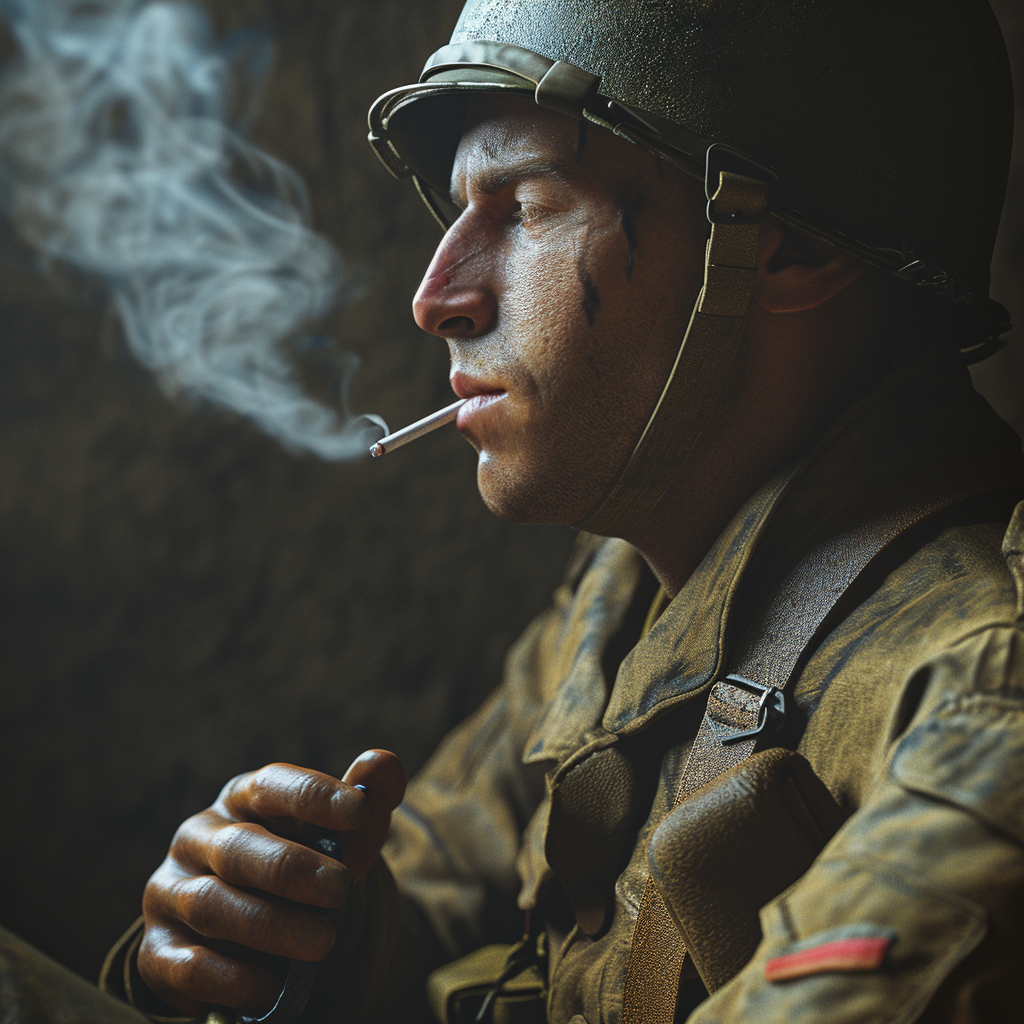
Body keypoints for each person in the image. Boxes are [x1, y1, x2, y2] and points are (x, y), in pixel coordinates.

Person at [98, 0, 1024, 1021]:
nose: (437, 296)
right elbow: (438, 890)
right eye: (457, 210)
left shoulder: (982, 692)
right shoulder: (628, 589)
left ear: (787, 246)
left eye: (525, 206)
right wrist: (287, 936)